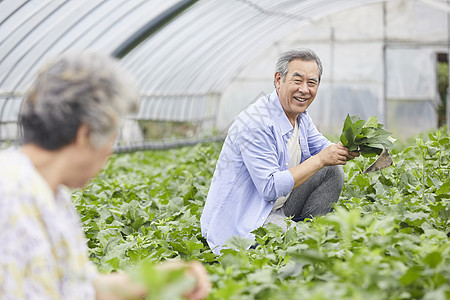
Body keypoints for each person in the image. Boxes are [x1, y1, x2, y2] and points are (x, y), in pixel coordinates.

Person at [0, 52, 210, 300]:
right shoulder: (11, 198)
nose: (110, 152)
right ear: (85, 134)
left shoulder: (54, 195)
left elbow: (84, 289)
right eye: (112, 138)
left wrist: (158, 278)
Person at [201, 48, 359, 254]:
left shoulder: (299, 116)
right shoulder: (255, 123)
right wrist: (320, 159)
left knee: (332, 171)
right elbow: (269, 188)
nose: (304, 89)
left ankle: (310, 230)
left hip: (278, 206)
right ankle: (300, 235)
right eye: (297, 80)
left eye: (311, 83)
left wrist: (350, 147)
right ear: (278, 79)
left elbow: (323, 147)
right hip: (248, 216)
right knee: (291, 237)